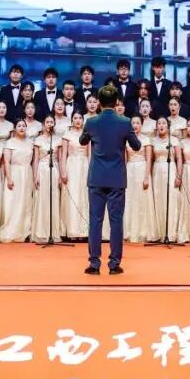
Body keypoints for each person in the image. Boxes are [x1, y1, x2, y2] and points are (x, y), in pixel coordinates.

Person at [79, 85, 141, 275]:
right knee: (116, 222)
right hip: (116, 178)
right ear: (116, 102)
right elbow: (136, 146)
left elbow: (82, 141)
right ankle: (114, 264)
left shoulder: (91, 122)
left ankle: (94, 264)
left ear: (99, 102)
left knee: (95, 221)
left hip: (97, 177)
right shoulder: (125, 122)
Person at [0, 119, 35, 243]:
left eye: (24, 126)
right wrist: (9, 178)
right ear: (14, 128)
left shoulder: (31, 142)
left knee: (26, 202)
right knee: (13, 201)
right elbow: (6, 162)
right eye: (19, 125)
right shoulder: (9, 143)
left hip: (27, 173)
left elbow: (33, 161)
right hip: (14, 173)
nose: (22, 128)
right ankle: (12, 229)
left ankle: (25, 230)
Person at [124, 115, 156, 243]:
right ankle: (129, 232)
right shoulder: (126, 140)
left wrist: (147, 177)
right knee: (130, 199)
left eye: (138, 123)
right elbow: (124, 159)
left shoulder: (146, 139)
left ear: (142, 125)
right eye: (133, 123)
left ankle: (143, 232)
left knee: (142, 199)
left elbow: (149, 159)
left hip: (142, 169)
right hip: (130, 170)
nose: (135, 125)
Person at [31, 115, 63, 243]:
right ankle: (41, 232)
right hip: (42, 169)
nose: (50, 124)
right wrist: (35, 176)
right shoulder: (38, 140)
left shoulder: (58, 139)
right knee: (42, 199)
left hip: (54, 169)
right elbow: (35, 159)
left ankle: (54, 233)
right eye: (47, 122)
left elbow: (60, 159)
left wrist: (61, 174)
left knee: (54, 199)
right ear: (43, 124)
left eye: (51, 122)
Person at [61, 113, 90, 239]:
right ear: (71, 120)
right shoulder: (67, 135)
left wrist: (91, 171)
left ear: (83, 120)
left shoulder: (87, 134)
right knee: (72, 195)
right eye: (75, 118)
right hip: (71, 166)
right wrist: (63, 171)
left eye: (80, 118)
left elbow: (90, 154)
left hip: (84, 166)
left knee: (83, 195)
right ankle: (72, 230)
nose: (78, 120)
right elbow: (63, 155)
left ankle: (84, 231)